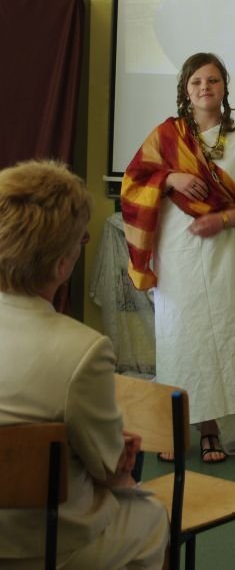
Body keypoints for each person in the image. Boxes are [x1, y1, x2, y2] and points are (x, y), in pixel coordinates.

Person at [0, 160, 168, 569]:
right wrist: (116, 457)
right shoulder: (84, 349)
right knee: (151, 515)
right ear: (62, 264)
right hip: (43, 546)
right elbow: (108, 470)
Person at [121, 52, 235, 464]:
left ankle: (210, 429)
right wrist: (171, 177)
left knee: (222, 336)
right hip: (178, 253)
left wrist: (222, 220)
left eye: (213, 80)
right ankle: (173, 428)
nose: (205, 87)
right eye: (196, 82)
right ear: (185, 91)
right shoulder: (165, 137)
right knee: (180, 337)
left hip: (227, 253)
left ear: (224, 88)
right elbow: (133, 182)